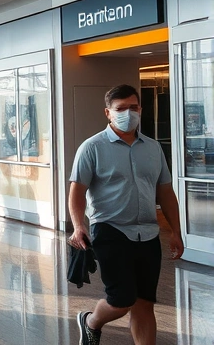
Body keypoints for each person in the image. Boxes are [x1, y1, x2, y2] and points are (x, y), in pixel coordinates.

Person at [69, 84, 182, 345]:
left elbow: (165, 192)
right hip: (110, 230)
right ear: (107, 113)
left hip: (149, 233)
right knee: (122, 300)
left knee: (144, 303)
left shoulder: (153, 148)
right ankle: (90, 321)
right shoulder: (92, 147)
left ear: (140, 109)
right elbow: (76, 192)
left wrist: (175, 231)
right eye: (121, 109)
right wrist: (78, 225)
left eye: (133, 107)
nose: (128, 113)